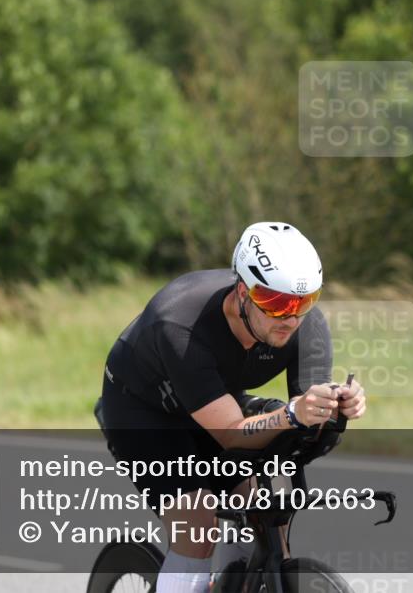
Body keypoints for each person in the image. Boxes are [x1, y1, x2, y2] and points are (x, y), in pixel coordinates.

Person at [96, 222, 367, 593]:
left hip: (213, 401)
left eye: (303, 302)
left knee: (267, 516)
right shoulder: (179, 325)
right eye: (276, 303)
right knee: (197, 526)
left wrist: (335, 409)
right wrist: (291, 413)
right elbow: (231, 434)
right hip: (142, 409)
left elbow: (307, 421)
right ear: (243, 293)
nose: (291, 318)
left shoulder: (308, 325)